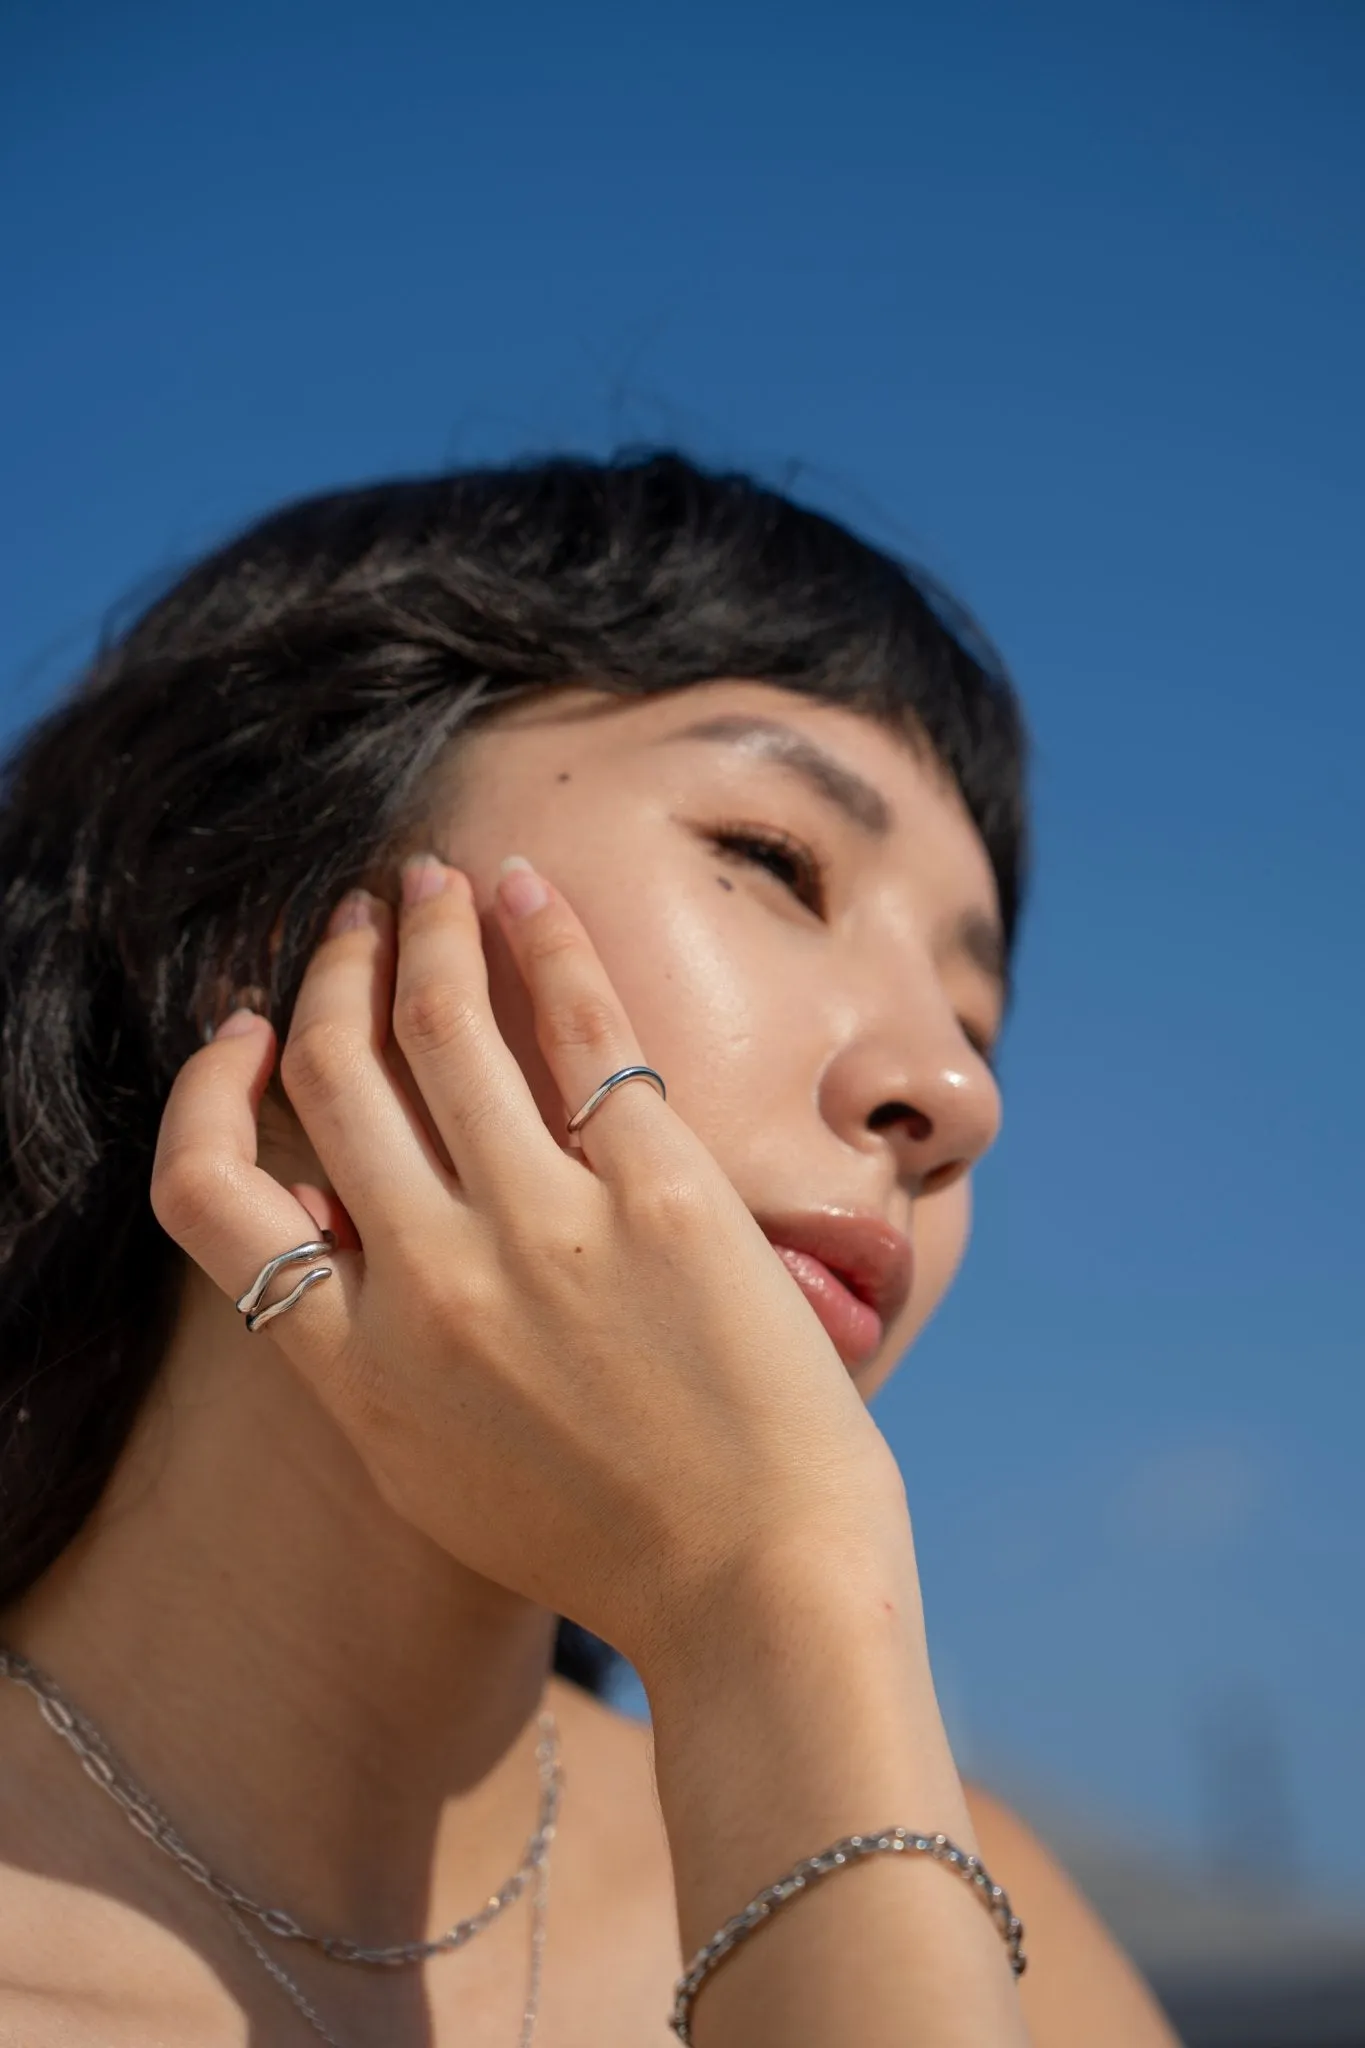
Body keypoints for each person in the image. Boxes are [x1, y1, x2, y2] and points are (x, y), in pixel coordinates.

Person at [0, 452, 1177, 2046]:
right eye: (774, 861)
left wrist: (770, 1606)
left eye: (977, 1021)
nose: (955, 1092)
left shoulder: (993, 1931)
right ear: (258, 927)